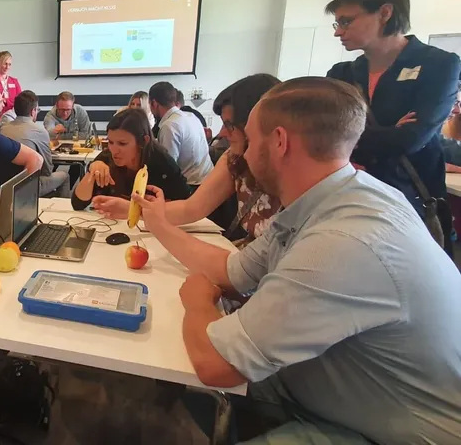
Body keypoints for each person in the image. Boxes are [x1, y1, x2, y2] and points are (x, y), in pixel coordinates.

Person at [133, 77, 461, 444]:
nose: (237, 150)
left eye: (251, 140)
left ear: (278, 142)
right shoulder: (341, 198)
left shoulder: (340, 243)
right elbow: (233, 271)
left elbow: (216, 365)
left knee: (196, 372)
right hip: (341, 394)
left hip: (387, 432)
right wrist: (161, 227)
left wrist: (197, 303)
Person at [326, 0, 461, 224]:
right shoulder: (341, 74)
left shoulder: (440, 65)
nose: (338, 31)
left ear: (385, 13)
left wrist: (354, 138)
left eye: (346, 21)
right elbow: (325, 136)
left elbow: (411, 139)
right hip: (352, 200)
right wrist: (390, 132)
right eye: (337, 22)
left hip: (411, 204)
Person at [94, 75, 283, 244]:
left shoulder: (292, 186)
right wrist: (133, 208)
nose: (223, 133)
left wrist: (135, 209)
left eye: (230, 126)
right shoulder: (233, 159)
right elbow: (190, 208)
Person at [72, 109, 190, 210]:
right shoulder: (107, 157)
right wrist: (91, 171)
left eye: (122, 143)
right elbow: (78, 204)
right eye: (111, 142)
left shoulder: (162, 162)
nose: (114, 150)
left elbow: (185, 204)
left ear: (144, 141)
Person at [0, 90, 71, 198]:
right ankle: (60, 211)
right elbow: (47, 170)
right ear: (33, 111)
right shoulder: (40, 131)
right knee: (65, 176)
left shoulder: (3, 128)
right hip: (26, 186)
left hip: (3, 184)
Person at [149, 81, 213, 187]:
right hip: (209, 178)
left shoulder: (169, 126)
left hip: (192, 185)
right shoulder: (191, 116)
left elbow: (168, 168)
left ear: (154, 103)